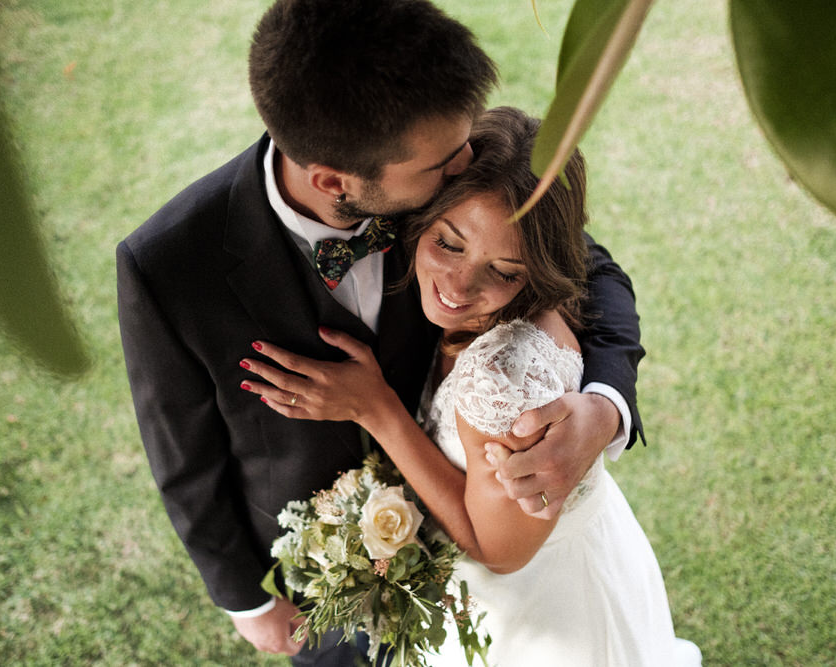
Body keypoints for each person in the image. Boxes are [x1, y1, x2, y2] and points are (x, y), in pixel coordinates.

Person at [117, 0, 644, 663]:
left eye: (465, 150)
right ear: (335, 181)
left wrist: (605, 404)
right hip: (324, 575)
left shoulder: (445, 161)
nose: (463, 169)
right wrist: (245, 600)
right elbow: (183, 457)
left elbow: (587, 267)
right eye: (444, 166)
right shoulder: (167, 265)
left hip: (474, 553)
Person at [242, 107, 701, 666]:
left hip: (534, 614)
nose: (458, 287)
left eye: (505, 271)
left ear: (539, 267)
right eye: (449, 244)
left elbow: (500, 553)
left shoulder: (501, 379)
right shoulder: (468, 226)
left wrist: (376, 408)